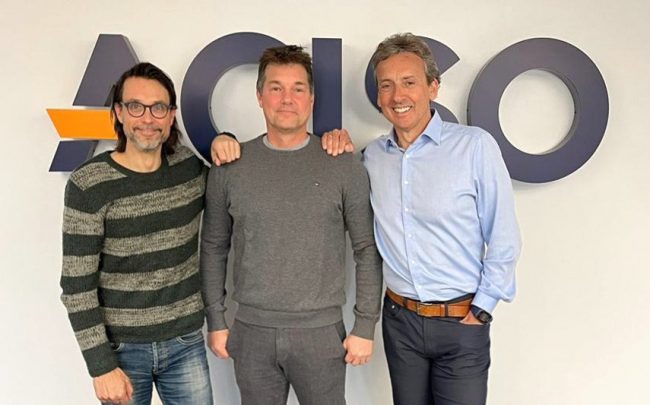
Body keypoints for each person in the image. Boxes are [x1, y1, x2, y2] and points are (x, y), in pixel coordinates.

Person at [200, 45, 383, 405]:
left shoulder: (343, 166)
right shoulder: (230, 167)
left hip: (321, 334)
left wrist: (365, 325)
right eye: (276, 88)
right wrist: (216, 320)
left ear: (311, 98)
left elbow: (366, 249)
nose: (287, 99)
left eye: (298, 88)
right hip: (252, 333)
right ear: (259, 96)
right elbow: (213, 247)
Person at [347, 33, 521, 405]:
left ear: (433, 87)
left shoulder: (474, 147)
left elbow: (504, 236)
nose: (398, 95)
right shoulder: (372, 157)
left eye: (409, 82)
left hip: (461, 323)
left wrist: (482, 309)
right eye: (387, 85)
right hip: (401, 322)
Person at [60, 62, 238, 405]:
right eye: (135, 107)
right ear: (119, 113)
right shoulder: (89, 184)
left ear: (171, 116)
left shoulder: (188, 170)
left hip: (185, 342)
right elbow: (76, 287)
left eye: (158, 108)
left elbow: (229, 186)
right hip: (121, 350)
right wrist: (101, 367)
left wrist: (224, 138)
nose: (147, 119)